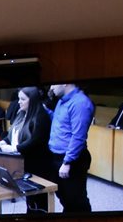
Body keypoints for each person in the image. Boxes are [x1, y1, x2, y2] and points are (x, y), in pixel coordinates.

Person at [47, 82, 95, 213]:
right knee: (65, 197)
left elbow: (78, 136)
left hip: (72, 160)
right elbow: (60, 123)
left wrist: (67, 162)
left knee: (77, 200)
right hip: (57, 157)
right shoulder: (61, 101)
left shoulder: (80, 103)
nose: (51, 88)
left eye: (53, 84)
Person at [8, 86, 54, 212]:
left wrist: (14, 148)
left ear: (32, 100)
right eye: (18, 99)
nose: (19, 102)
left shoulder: (41, 116)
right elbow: (12, 133)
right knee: (30, 200)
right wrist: (2, 142)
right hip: (25, 163)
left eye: (22, 99)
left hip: (39, 165)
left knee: (39, 201)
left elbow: (35, 141)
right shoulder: (22, 113)